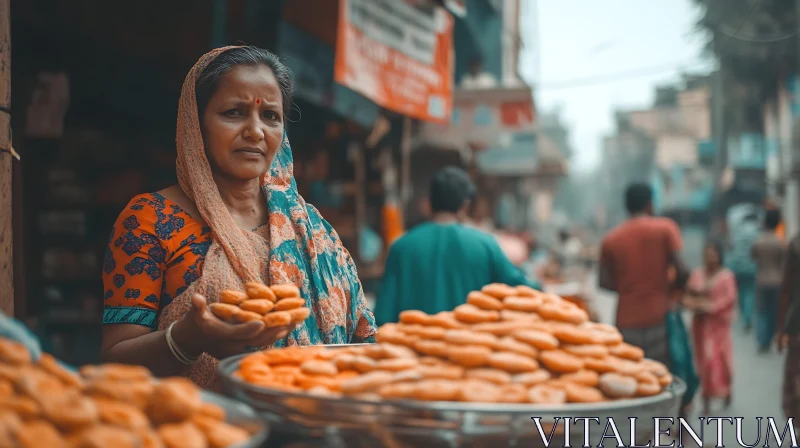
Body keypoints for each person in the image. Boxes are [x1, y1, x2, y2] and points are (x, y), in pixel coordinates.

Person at [100, 46, 377, 388]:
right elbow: (115, 359)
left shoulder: (311, 229)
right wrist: (185, 340)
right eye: (234, 112)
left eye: (271, 116)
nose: (256, 131)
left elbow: (359, 341)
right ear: (195, 122)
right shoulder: (150, 220)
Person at [374, 167, 537, 326]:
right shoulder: (485, 245)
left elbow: (383, 315)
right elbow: (524, 291)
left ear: (429, 203)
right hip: (472, 349)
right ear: (465, 205)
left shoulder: (401, 247)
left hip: (412, 350)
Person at [599, 183, 688, 365]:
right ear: (649, 204)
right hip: (659, 318)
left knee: (632, 379)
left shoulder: (611, 239)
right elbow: (683, 271)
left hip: (625, 322)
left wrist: (628, 287)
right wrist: (672, 292)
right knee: (659, 378)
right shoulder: (665, 229)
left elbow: (603, 282)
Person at [684, 242, 737, 414]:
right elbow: (688, 293)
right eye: (707, 253)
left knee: (721, 360)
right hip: (700, 326)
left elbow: (729, 299)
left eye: (713, 253)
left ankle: (726, 391)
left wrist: (711, 307)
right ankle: (706, 398)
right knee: (704, 362)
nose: (709, 257)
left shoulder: (726, 276)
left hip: (719, 326)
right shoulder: (697, 274)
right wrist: (695, 303)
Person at [750, 208, 787, 353]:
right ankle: (770, 337)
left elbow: (753, 257)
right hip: (777, 280)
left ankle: (762, 340)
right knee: (773, 311)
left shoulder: (758, 241)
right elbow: (783, 262)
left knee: (761, 311)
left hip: (761, 279)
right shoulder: (780, 242)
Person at [726, 205, 760, 332]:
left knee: (741, 292)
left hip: (738, 267)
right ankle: (747, 318)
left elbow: (732, 248)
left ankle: (743, 316)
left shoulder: (738, 232)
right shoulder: (757, 232)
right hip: (752, 268)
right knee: (750, 293)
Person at [778, 233, 800, 425]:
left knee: (794, 378)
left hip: (796, 324)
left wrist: (780, 329)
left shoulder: (796, 243)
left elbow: (786, 288)